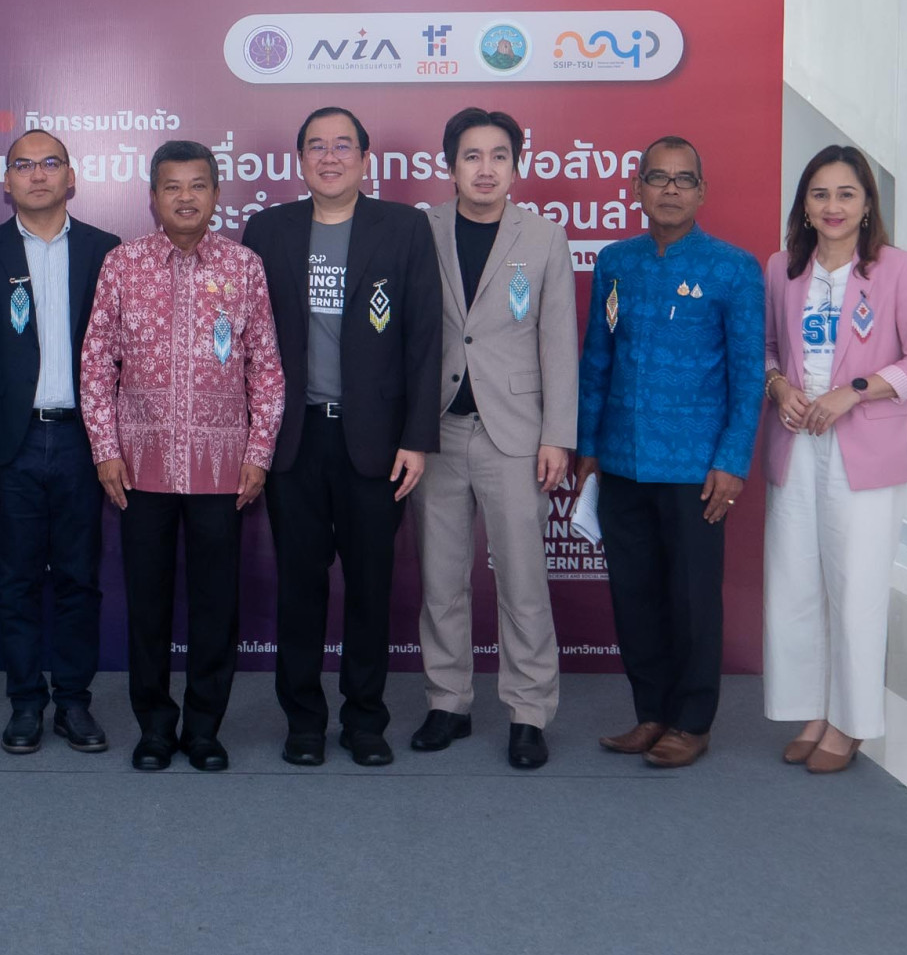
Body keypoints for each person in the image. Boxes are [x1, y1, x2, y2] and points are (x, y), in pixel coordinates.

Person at [243, 107, 442, 768]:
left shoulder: (404, 228)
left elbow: (424, 339)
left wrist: (417, 437)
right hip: (294, 441)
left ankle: (364, 721)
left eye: (343, 146)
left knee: (369, 587)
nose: (330, 157)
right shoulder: (267, 230)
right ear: (300, 160)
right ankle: (303, 722)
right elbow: (246, 341)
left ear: (365, 159)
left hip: (375, 444)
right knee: (299, 588)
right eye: (317, 147)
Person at [81, 139, 284, 772]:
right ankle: (154, 726)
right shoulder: (122, 264)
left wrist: (259, 451)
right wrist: (105, 449)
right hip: (139, 468)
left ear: (217, 194)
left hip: (223, 470)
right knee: (147, 603)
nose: (186, 197)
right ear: (153, 197)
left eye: (198, 185)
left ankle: (203, 728)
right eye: (173, 186)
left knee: (215, 604)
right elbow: (96, 363)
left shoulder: (245, 267)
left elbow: (266, 368)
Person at [575, 136, 763, 769]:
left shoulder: (733, 268)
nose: (671, 189)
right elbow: (597, 358)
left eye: (684, 179)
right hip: (621, 461)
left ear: (702, 192)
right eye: (658, 177)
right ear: (637, 189)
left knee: (691, 597)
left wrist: (732, 461)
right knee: (635, 595)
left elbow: (747, 377)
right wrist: (589, 445)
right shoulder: (616, 261)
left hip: (695, 468)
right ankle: (651, 714)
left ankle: (692, 721)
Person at [761, 147, 907, 773]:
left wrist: (856, 391)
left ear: (868, 204)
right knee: (796, 582)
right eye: (820, 194)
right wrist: (778, 386)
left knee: (856, 586)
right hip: (796, 444)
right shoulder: (783, 268)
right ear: (804, 205)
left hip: (865, 451)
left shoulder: (899, 269)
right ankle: (813, 709)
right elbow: (766, 349)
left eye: (846, 194)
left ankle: (851, 721)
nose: (832, 206)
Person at [410, 107, 578, 770]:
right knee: (441, 580)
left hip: (516, 434)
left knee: (523, 581)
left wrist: (557, 434)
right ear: (450, 166)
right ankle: (447, 702)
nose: (486, 169)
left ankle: (529, 712)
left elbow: (558, 341)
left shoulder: (544, 237)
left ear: (516, 165)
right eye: (472, 156)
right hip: (436, 432)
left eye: (499, 156)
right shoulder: (421, 229)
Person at [0, 130, 120, 755]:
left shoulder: (106, 251)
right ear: (7, 181)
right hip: (12, 444)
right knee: (17, 581)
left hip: (84, 440)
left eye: (51, 163)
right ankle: (25, 703)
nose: (38, 174)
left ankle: (74, 702)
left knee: (79, 579)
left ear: (71, 176)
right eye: (24, 164)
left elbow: (125, 358)